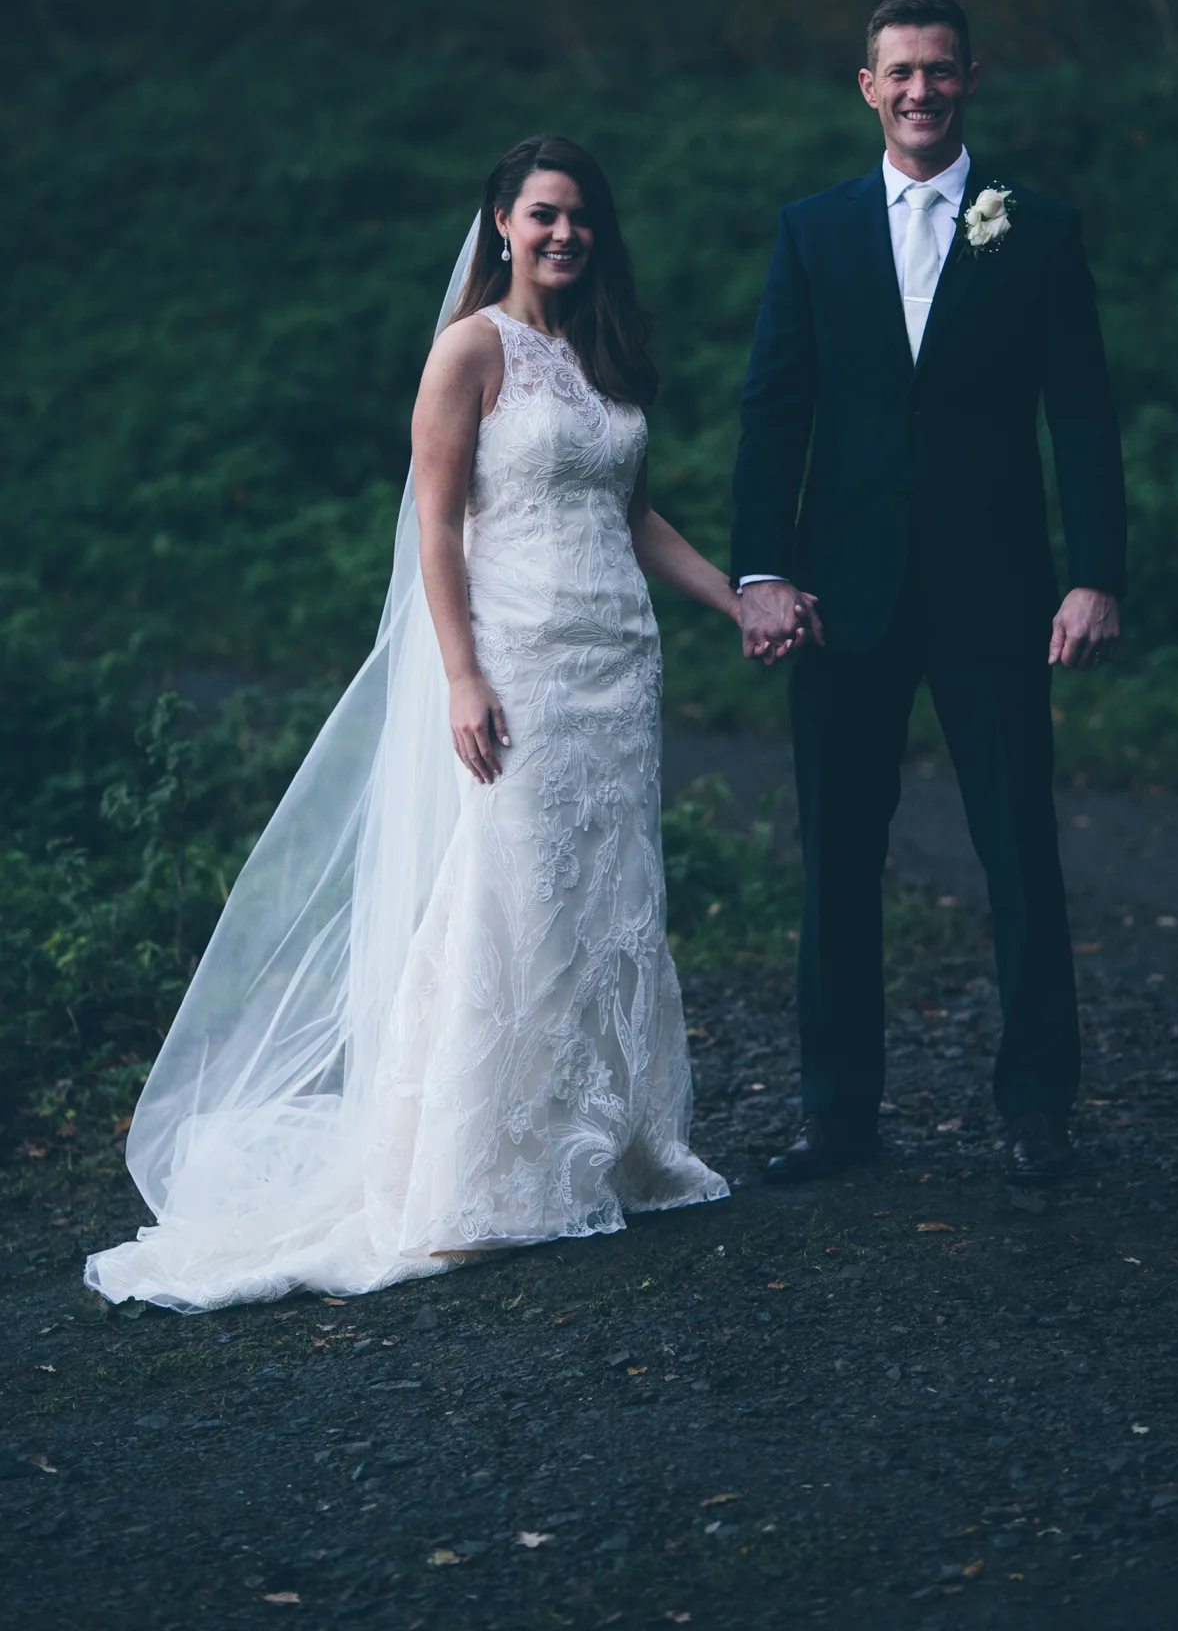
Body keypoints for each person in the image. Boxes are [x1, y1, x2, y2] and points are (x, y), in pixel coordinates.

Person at [87, 134, 771, 1312]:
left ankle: (600, 1143)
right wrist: (462, 673)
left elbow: (636, 514)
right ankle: (479, 1167)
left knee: (603, 897)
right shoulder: (472, 351)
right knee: (512, 894)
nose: (566, 234)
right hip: (520, 662)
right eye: (544, 214)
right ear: (500, 220)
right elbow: (437, 524)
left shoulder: (595, 351)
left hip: (618, 661)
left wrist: (737, 594)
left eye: (582, 217)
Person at [732, 0, 1127, 1186]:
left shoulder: (1038, 230)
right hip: (842, 597)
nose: (921, 91)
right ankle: (839, 1111)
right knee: (838, 854)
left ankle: (1036, 1106)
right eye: (900, 72)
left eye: (940, 71)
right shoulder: (814, 230)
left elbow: (1084, 412)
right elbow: (774, 409)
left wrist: (1096, 572)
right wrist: (760, 570)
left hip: (997, 590)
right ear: (867, 86)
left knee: (1020, 849)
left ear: (970, 81)